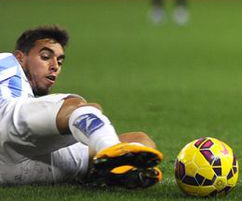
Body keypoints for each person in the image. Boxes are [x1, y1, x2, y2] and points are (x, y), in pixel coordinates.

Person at [0, 25, 163, 187]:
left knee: (139, 139)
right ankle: (111, 150)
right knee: (77, 106)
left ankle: (111, 169)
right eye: (45, 57)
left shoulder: (26, 95)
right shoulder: (6, 61)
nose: (55, 66)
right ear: (19, 57)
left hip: (19, 164)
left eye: (60, 61)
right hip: (6, 121)